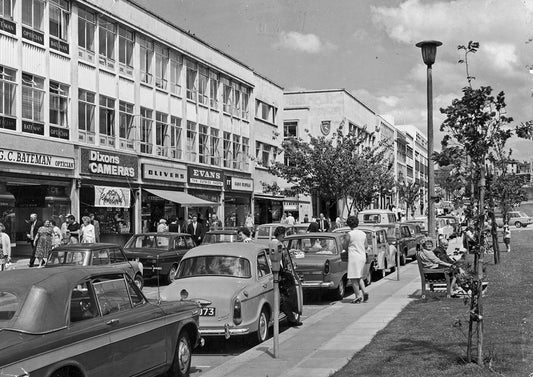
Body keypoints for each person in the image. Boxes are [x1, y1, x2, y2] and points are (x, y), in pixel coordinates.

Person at [270, 226, 302, 326]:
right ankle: (291, 318)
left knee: (287, 296)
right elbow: (277, 260)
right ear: (280, 234)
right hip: (279, 274)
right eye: (284, 234)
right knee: (285, 298)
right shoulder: (276, 244)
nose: (285, 236)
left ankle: (291, 316)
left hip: (282, 273)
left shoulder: (279, 244)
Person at [343, 216, 368, 303]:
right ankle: (364, 291)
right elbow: (366, 246)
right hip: (362, 256)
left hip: (354, 256)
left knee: (353, 277)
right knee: (359, 276)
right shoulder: (363, 234)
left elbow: (344, 246)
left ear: (349, 224)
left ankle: (358, 296)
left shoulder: (349, 234)